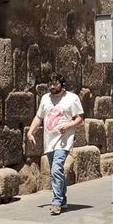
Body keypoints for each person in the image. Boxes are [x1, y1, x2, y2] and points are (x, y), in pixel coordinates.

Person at [27, 73, 85, 215]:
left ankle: (57, 201)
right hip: (50, 141)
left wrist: (68, 126)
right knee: (56, 171)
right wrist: (30, 132)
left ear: (62, 84)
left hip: (64, 141)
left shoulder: (72, 98)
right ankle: (63, 199)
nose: (52, 87)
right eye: (50, 84)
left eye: (55, 84)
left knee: (56, 169)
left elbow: (80, 118)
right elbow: (39, 116)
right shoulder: (46, 98)